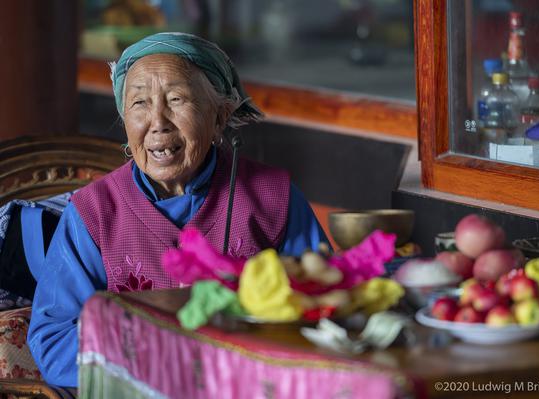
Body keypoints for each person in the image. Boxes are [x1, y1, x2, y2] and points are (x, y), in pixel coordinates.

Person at [27, 32, 328, 387]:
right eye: (139, 103)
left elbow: (324, 305)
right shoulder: (94, 214)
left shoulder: (272, 198)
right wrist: (162, 352)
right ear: (125, 120)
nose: (158, 122)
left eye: (177, 99)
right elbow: (54, 343)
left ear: (220, 116)